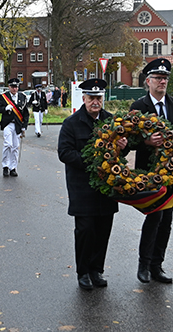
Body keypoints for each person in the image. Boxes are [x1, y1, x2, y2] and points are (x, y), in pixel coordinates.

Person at [129, 58, 173, 284]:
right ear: (148, 81)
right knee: (154, 215)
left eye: (165, 78)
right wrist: (147, 142)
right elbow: (129, 139)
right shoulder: (139, 107)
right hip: (148, 173)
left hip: (172, 172)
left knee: (166, 219)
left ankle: (157, 265)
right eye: (158, 78)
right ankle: (144, 264)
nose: (162, 82)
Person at [57, 78, 128, 290]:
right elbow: (65, 153)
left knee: (103, 229)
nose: (95, 102)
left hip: (106, 187)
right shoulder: (71, 123)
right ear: (84, 98)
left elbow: (121, 150)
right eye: (91, 98)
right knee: (85, 230)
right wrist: (93, 162)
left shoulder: (111, 121)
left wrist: (124, 146)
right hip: (82, 186)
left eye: (98, 98)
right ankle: (83, 272)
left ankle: (97, 270)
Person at [0, 78, 29, 177]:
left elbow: (25, 113)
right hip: (8, 124)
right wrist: (5, 108)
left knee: (15, 147)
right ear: (9, 87)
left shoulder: (22, 97)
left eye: (16, 87)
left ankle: (13, 167)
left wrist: (24, 126)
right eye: (13, 87)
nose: (15, 89)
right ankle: (5, 166)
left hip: (18, 125)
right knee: (7, 144)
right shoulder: (4, 97)